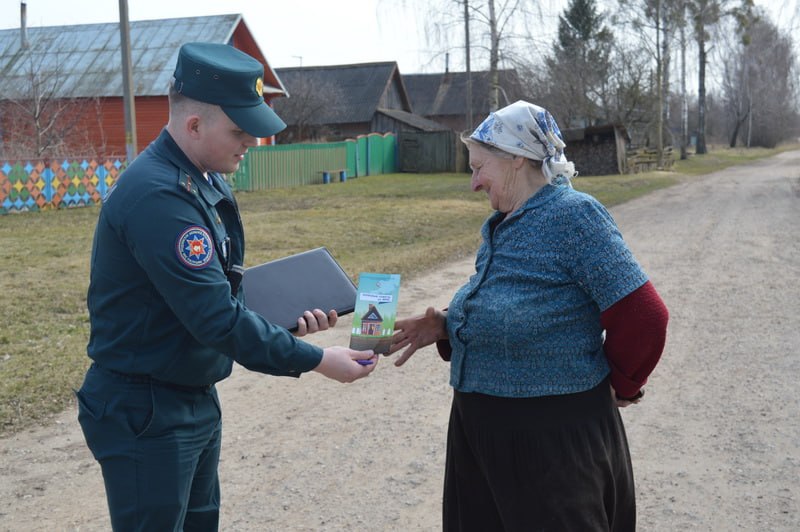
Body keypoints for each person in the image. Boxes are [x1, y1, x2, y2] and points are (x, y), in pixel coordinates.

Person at [75, 42, 378, 531]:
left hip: (189, 394)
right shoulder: (159, 196)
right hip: (147, 408)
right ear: (195, 125)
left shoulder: (201, 176)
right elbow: (216, 318)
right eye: (239, 131)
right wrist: (318, 360)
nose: (252, 141)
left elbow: (219, 291)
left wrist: (282, 319)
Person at [389, 101, 669, 531]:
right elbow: (515, 307)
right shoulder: (505, 222)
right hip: (480, 435)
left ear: (517, 158)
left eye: (478, 168)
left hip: (551, 444)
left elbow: (645, 316)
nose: (473, 183)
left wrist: (621, 384)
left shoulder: (574, 216)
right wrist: (445, 325)